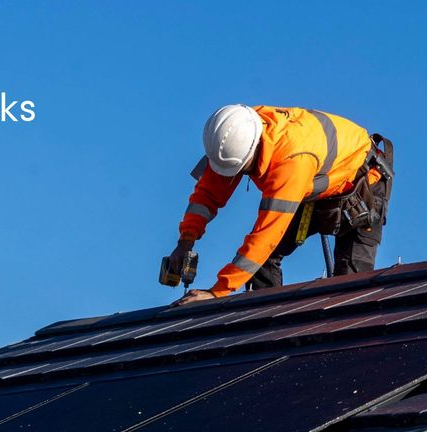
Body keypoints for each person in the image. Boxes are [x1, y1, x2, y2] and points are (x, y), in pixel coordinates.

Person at [167, 104, 393, 306]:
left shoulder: (291, 162)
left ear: (253, 153)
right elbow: (208, 193)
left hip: (363, 189)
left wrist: (217, 293)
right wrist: (185, 242)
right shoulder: (236, 132)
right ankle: (267, 327)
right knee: (260, 264)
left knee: (348, 291)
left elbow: (265, 237)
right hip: (315, 182)